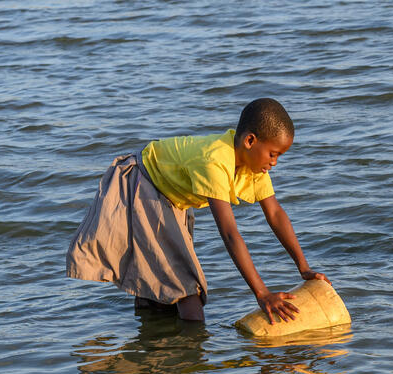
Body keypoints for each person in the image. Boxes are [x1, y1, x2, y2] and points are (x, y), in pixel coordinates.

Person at [66, 98, 326, 323]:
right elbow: (229, 233)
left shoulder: (253, 166)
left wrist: (303, 267)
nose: (274, 162)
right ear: (250, 141)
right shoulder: (215, 162)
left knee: (165, 283)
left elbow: (275, 214)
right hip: (146, 187)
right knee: (188, 289)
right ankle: (192, 362)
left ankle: (159, 347)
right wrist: (262, 294)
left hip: (171, 196)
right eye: (273, 154)